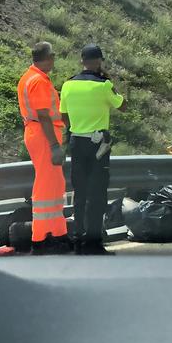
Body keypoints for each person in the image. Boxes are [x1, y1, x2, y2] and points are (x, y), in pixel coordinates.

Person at [59, 44, 126, 255]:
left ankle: (78, 239)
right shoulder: (103, 85)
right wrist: (110, 83)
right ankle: (94, 242)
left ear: (81, 61)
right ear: (99, 61)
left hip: (77, 142)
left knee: (79, 192)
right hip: (99, 145)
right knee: (97, 193)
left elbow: (63, 115)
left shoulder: (68, 85)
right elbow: (123, 106)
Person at [16, 42, 71, 254]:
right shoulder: (38, 80)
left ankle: (57, 234)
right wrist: (55, 145)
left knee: (55, 185)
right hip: (43, 135)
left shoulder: (29, 77)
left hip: (39, 133)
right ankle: (40, 238)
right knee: (46, 185)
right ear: (49, 57)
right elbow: (44, 115)